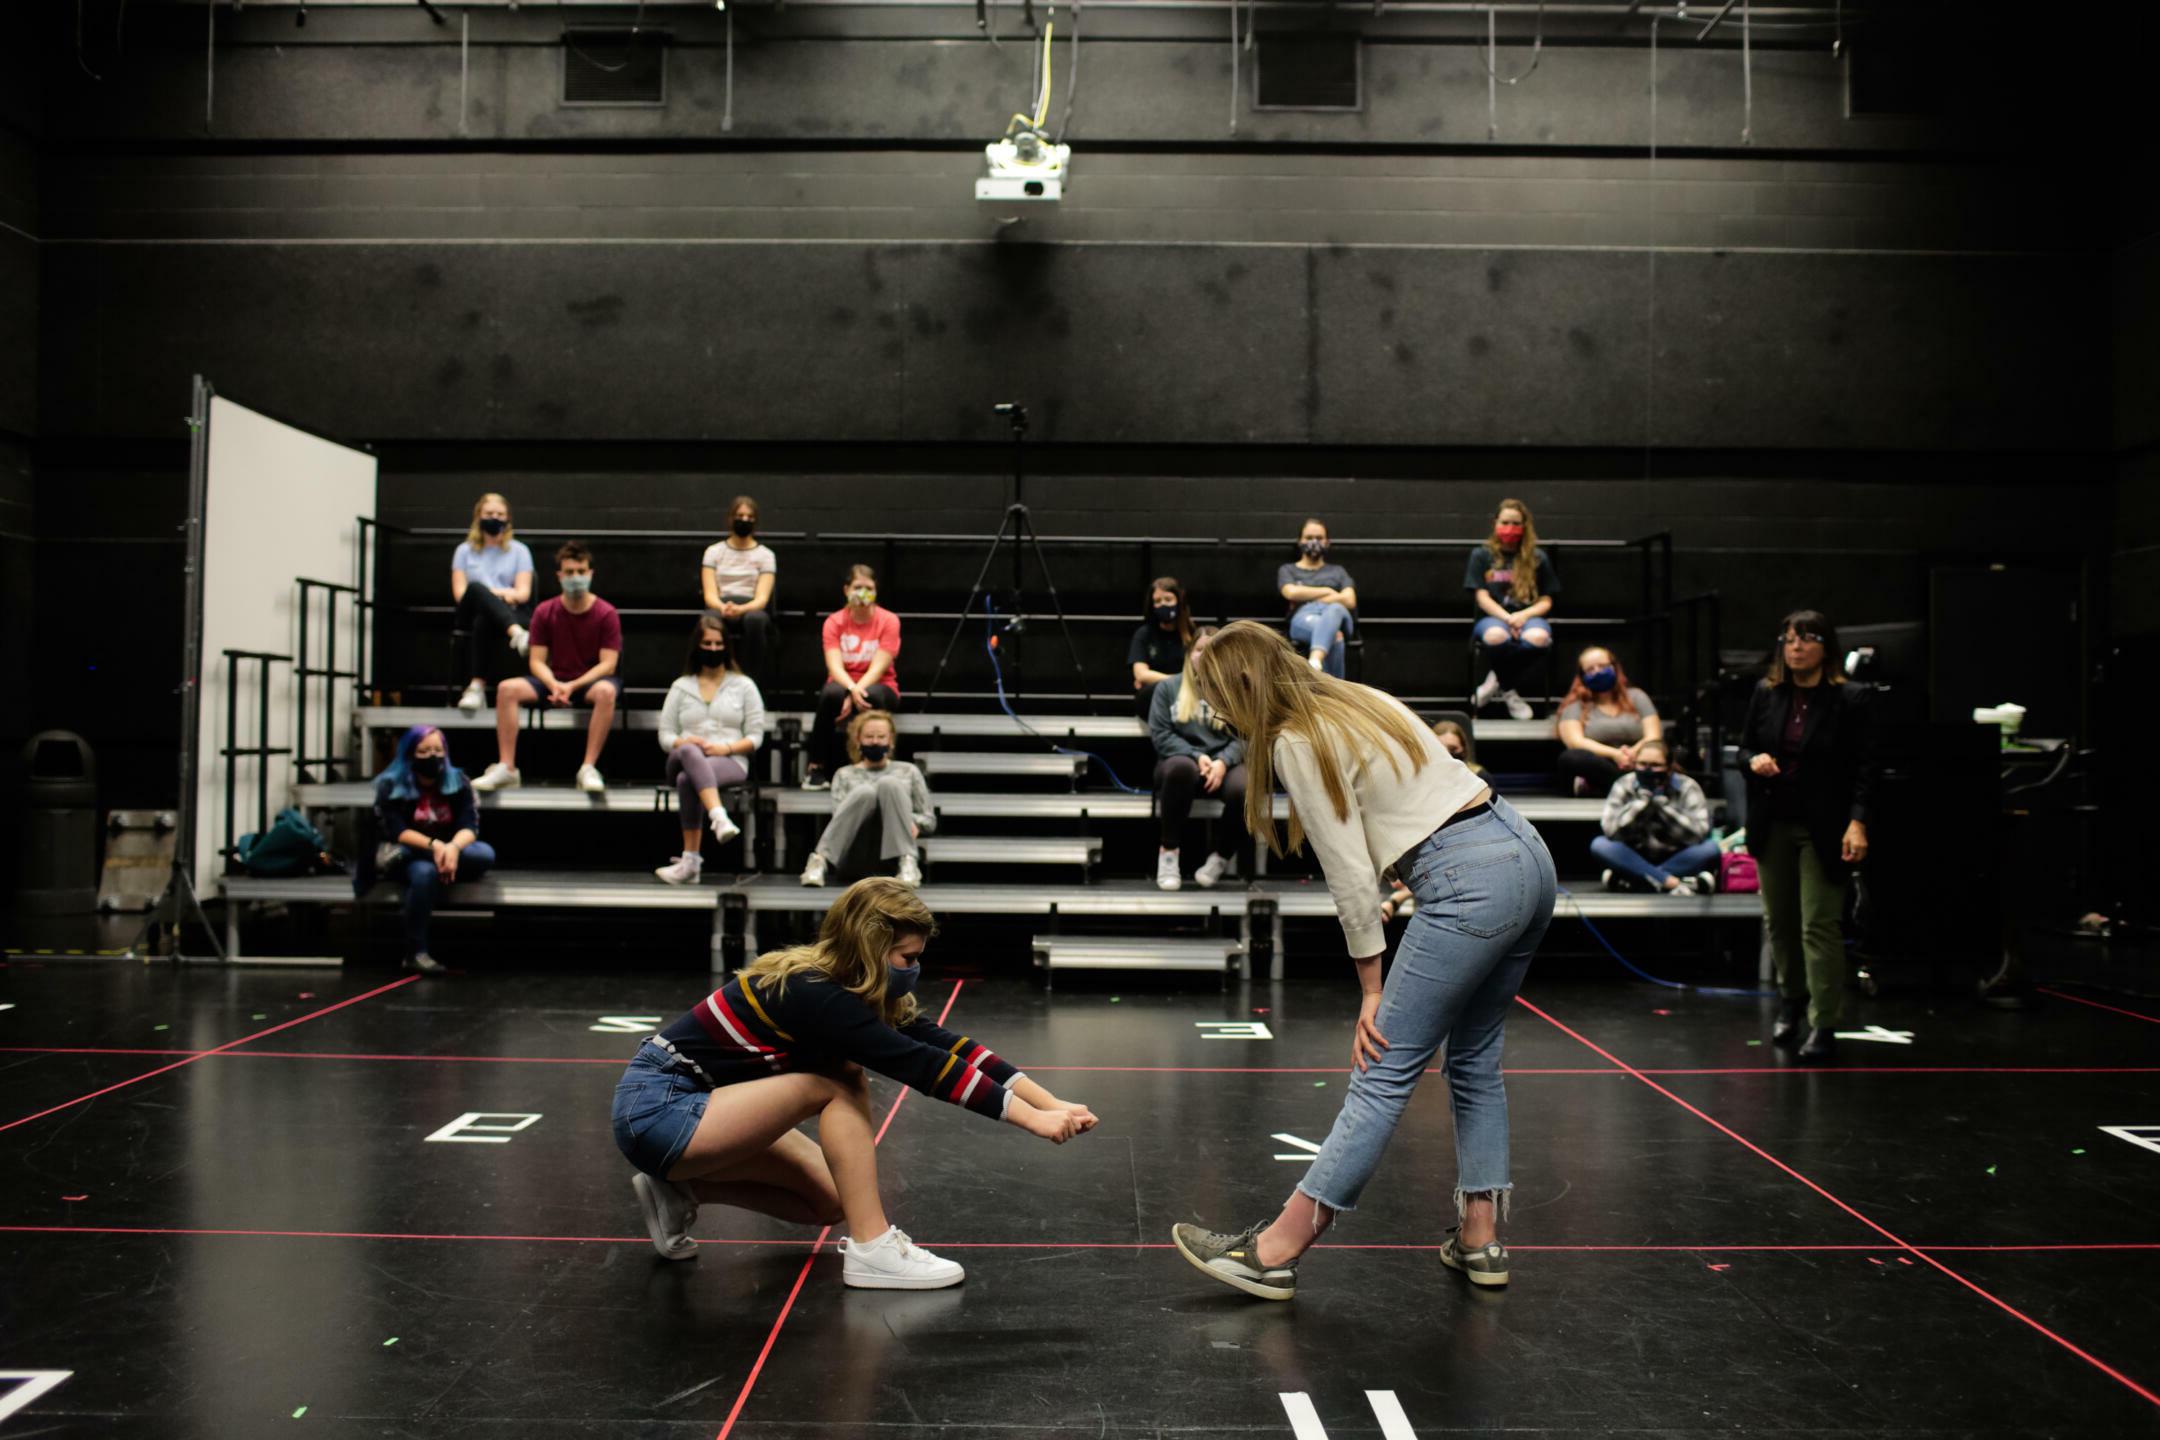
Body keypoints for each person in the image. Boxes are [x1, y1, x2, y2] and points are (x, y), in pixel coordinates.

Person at [1170, 621, 1555, 1301]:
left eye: (1217, 697)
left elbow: (1349, 875)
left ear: (1244, 687)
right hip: (1524, 850)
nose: (1217, 714)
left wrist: (1371, 988)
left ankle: (1273, 1250)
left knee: (1382, 1069)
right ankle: (1480, 1237)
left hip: (1467, 878)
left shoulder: (1294, 740)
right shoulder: (1356, 698)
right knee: (1472, 1061)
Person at [611, 878, 1099, 1288]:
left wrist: (1050, 1101)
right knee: (838, 1079)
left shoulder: (847, 987)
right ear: (870, 948)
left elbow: (950, 1047)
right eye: (906, 958)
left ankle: (679, 1192)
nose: (914, 970)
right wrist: (1031, 1120)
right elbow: (921, 1067)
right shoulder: (814, 993)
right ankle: (872, 1248)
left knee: (829, 1201)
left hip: (700, 1106)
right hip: (658, 1109)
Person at [1742, 610, 1875, 1061]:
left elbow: (1866, 767)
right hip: (1773, 820)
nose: (1796, 646)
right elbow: (1743, 748)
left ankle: (1824, 1022)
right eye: (1789, 639)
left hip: (1826, 824)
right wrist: (1754, 760)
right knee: (1779, 922)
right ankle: (1791, 1000)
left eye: (1807, 638)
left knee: (1819, 924)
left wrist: (1858, 821)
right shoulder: (1767, 693)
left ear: (1826, 647)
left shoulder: (1851, 698)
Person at [472, 541, 622, 794]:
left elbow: (608, 664)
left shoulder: (606, 613)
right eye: (570, 572)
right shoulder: (544, 611)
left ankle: (588, 768)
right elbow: (536, 661)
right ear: (560, 576)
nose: (576, 577)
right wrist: (555, 685)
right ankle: (507, 767)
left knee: (607, 692)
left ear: (590, 574)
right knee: (507, 689)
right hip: (553, 680)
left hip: (587, 683)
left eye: (581, 571)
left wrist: (571, 686)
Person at [372, 725, 495, 974]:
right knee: (422, 874)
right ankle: (415, 952)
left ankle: (443, 863)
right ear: (409, 754)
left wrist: (452, 848)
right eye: (424, 751)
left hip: (451, 851)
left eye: (438, 750)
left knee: (484, 854)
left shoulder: (458, 781)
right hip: (412, 850)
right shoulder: (390, 785)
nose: (433, 756)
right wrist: (435, 846)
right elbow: (397, 831)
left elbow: (469, 826)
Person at [653, 614, 764, 886]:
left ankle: (691, 862)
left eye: (718, 644)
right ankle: (718, 816)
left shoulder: (744, 685)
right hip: (681, 757)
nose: (713, 649)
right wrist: (686, 743)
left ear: (726, 646)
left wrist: (723, 747)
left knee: (687, 780)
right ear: (697, 646)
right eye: (707, 644)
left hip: (728, 759)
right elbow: (665, 735)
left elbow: (755, 736)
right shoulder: (681, 687)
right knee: (690, 753)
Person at [1148, 628, 1246, 892]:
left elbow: (1247, 736)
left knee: (1246, 786)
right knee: (1181, 769)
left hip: (1224, 765)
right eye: (1200, 649)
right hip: (1179, 761)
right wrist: (1196, 755)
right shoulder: (1168, 688)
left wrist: (1223, 761)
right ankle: (1169, 854)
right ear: (1190, 653)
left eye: (1213, 650)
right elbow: (1160, 733)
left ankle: (1220, 857)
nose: (1205, 656)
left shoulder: (1234, 691)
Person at [801, 711, 934, 889]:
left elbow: (929, 820)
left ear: (891, 740)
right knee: (865, 792)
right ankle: (819, 861)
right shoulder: (844, 774)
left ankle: (908, 862)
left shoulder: (908, 771)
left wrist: (908, 820)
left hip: (894, 856)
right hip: (856, 852)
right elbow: (840, 820)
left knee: (889, 784)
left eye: (881, 736)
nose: (875, 741)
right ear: (858, 740)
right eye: (869, 736)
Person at [807, 565, 901, 790]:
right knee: (830, 695)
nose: (863, 593)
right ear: (846, 589)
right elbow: (833, 664)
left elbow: (880, 666)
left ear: (876, 591)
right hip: (842, 683)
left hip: (880, 684)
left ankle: (880, 767)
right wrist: (850, 688)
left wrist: (856, 691)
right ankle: (816, 768)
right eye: (857, 587)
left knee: (873, 696)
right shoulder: (834, 622)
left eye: (868, 588)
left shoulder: (889, 621)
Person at [1465, 499, 1559, 721]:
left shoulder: (1538, 557)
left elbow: (1547, 600)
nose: (1510, 528)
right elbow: (1481, 596)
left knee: (1539, 637)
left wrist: (1522, 616)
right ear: (1495, 522)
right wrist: (1508, 619)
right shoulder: (1481, 555)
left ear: (1525, 525)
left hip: (1529, 616)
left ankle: (1496, 680)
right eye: (1505, 522)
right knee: (1496, 636)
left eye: (1516, 523)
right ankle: (1509, 689)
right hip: (1493, 618)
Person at [1590, 739, 1719, 895]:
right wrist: (1640, 805)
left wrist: (1663, 807)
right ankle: (1672, 882)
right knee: (1600, 845)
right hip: (1634, 856)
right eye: (1643, 764)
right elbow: (1611, 831)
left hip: (1676, 854)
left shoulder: (1688, 786)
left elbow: (1698, 834)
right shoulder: (1624, 784)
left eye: (1656, 765)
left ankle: (1636, 880)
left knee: (1710, 849)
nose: (1648, 770)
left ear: (1669, 768)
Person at [450, 493, 535, 713]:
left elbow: (523, 593)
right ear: (478, 516)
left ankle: (476, 687)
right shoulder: (463, 551)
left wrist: (497, 598)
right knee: (476, 590)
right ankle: (517, 634)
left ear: (508, 519)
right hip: (470, 610)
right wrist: (498, 593)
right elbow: (461, 594)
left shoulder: (520, 551)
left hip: (508, 611)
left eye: (500, 514)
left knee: (484, 619)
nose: (494, 518)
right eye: (489, 514)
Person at [1554, 647, 1663, 796]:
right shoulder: (1575, 705)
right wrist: (1615, 754)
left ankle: (1612, 788)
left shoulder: (1637, 696)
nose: (1598, 671)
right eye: (1590, 669)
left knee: (1664, 753)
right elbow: (1575, 742)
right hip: (1601, 764)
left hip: (1638, 760)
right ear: (1582, 676)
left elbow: (1654, 735)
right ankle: (1633, 787)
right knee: (1571, 758)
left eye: (1603, 666)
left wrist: (1632, 753)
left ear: (1614, 667)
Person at [700, 495, 778, 680]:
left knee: (756, 621)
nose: (744, 520)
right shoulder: (713, 552)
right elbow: (710, 595)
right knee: (709, 619)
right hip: (721, 605)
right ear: (730, 519)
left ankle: (749, 680)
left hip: (751, 607)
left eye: (749, 517)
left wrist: (740, 609)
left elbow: (762, 599)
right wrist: (723, 607)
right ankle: (711, 676)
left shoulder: (766, 555)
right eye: (740, 516)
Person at [1278, 518, 1358, 678]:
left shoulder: (1338, 571)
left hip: (1339, 617)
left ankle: (1314, 661)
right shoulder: (1288, 570)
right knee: (1335, 636)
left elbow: (1349, 600)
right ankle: (1336, 697)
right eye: (1308, 538)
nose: (1314, 542)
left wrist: (1309, 595)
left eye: (1319, 538)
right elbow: (1291, 593)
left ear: (1327, 542)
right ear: (1300, 541)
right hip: (1304, 617)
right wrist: (1329, 592)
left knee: (1335, 609)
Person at [1129, 577, 1193, 721]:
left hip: (1188, 699)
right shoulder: (1144, 634)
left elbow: (1201, 675)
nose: (1162, 604)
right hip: (1154, 697)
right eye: (1157, 601)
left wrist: (1155, 678)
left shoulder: (1193, 634)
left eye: (1168, 599)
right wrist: (1181, 680)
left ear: (1179, 601)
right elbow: (1141, 675)